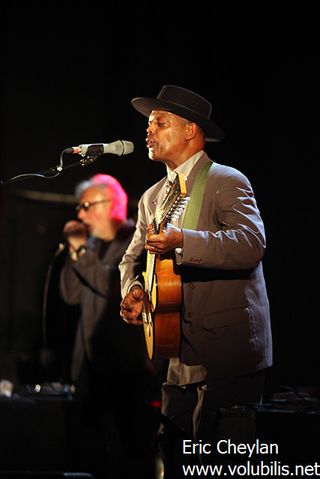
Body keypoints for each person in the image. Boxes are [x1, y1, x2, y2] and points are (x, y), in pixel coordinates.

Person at [119, 85, 273, 476]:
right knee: (174, 457)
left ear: (190, 130)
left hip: (227, 353)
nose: (149, 131)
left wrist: (183, 241)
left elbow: (250, 244)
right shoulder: (152, 197)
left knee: (218, 463)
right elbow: (131, 258)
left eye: (160, 123)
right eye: (149, 124)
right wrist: (134, 289)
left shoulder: (226, 180)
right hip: (177, 352)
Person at [59, 173, 157, 479]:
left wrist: (82, 253)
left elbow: (114, 284)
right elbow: (70, 294)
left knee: (127, 454)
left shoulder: (134, 241)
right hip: (88, 368)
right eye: (79, 206)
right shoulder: (90, 245)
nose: (80, 213)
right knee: (88, 453)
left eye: (87, 205)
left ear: (112, 204)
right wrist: (77, 251)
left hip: (125, 369)